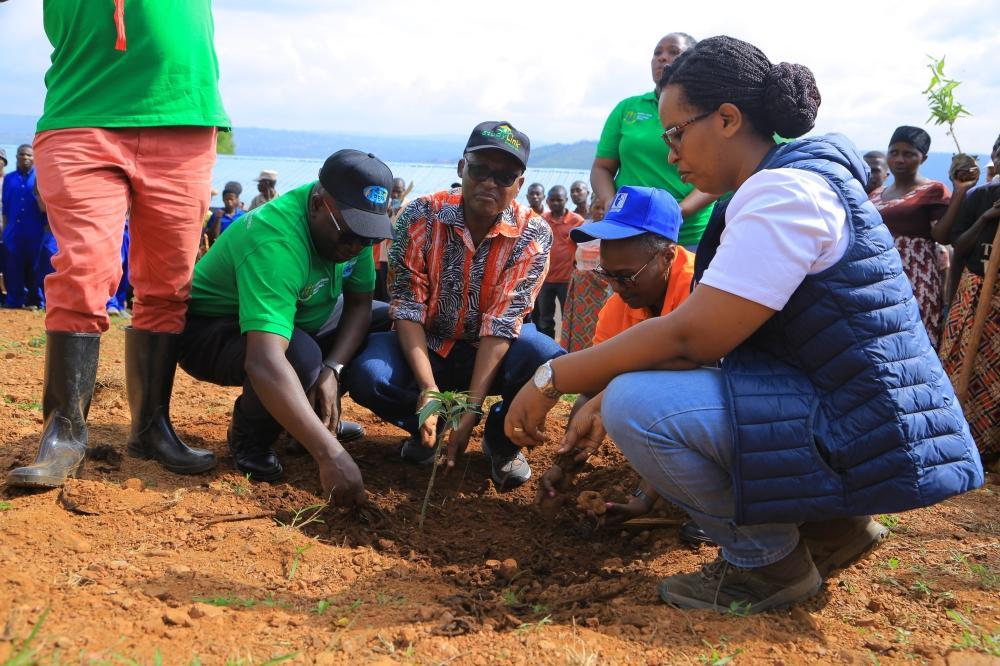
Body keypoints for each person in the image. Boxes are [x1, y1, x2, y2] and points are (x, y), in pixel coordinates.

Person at [505, 36, 983, 614]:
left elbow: (693, 335)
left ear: (728, 119)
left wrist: (551, 378)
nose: (671, 152)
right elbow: (711, 347)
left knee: (636, 402)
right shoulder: (790, 182)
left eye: (677, 132)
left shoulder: (784, 194)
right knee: (630, 395)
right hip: (860, 414)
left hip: (866, 427)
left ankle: (765, 567)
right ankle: (834, 529)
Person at [7, 1, 229, 488]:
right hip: (82, 115)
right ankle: (63, 433)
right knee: (84, 270)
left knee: (169, 284)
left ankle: (152, 427)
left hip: (183, 115)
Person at [346, 121, 564, 489]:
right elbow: (408, 307)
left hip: (491, 352)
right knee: (369, 375)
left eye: (505, 175)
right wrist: (429, 392)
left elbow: (502, 322)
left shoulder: (534, 233)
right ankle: (432, 425)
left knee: (548, 359)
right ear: (462, 168)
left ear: (519, 185)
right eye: (480, 170)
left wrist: (474, 408)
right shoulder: (419, 216)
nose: (490, 183)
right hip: (427, 346)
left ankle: (499, 437)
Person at [177, 150, 393, 505]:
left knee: (386, 319)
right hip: (214, 329)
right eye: (351, 233)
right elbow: (265, 359)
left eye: (369, 237)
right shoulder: (276, 241)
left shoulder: (351, 234)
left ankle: (310, 421)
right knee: (299, 356)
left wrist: (333, 369)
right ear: (317, 205)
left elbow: (359, 304)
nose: (357, 246)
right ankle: (251, 437)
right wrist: (330, 456)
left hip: (302, 314)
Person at [591, 32, 717, 252]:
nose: (662, 57)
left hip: (687, 237)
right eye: (657, 52)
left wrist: (676, 212)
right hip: (626, 229)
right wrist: (610, 202)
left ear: (693, 61)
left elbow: (720, 173)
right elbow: (602, 167)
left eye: (673, 52)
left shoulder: (709, 108)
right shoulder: (627, 109)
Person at [937, 134, 1000, 465]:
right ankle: (955, 435)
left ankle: (990, 448)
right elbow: (957, 246)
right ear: (994, 156)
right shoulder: (982, 197)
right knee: (960, 363)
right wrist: (986, 219)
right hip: (973, 292)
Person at [870, 126, 950, 348]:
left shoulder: (934, 190)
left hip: (917, 277)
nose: (899, 159)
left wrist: (961, 191)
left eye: (908, 154)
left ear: (923, 158)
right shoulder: (876, 194)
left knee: (914, 343)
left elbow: (941, 234)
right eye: (894, 152)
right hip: (880, 276)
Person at [560, 196, 612, 353]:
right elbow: (571, 245)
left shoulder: (614, 231)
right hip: (581, 288)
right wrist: (577, 269)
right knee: (578, 324)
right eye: (597, 208)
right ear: (591, 208)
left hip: (603, 288)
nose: (601, 212)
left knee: (601, 323)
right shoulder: (583, 228)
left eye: (604, 208)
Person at [535, 185, 584, 340]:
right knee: (545, 319)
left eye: (559, 200)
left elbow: (584, 248)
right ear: (547, 200)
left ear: (566, 200)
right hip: (545, 280)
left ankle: (566, 351)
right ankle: (546, 351)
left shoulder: (577, 221)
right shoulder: (541, 220)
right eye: (552, 200)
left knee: (568, 318)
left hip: (567, 280)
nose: (555, 203)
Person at [2, 144, 45, 310]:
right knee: (12, 267)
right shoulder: (9, 178)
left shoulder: (40, 178)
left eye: (29, 155)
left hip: (35, 230)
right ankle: (14, 301)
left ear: (35, 157)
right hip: (13, 232)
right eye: (22, 154)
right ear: (16, 157)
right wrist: (5, 232)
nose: (25, 158)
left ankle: (36, 301)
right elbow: (5, 207)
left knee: (35, 267)